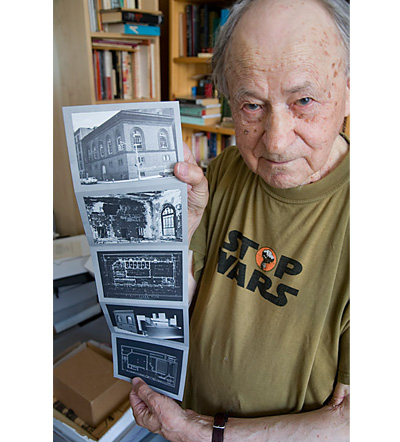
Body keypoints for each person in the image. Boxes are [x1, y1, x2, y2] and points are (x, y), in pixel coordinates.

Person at [129, 0, 350, 440]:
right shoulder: (227, 170)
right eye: (251, 106)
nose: (277, 141)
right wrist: (181, 230)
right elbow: (173, 308)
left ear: (350, 87)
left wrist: (202, 432)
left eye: (303, 100)